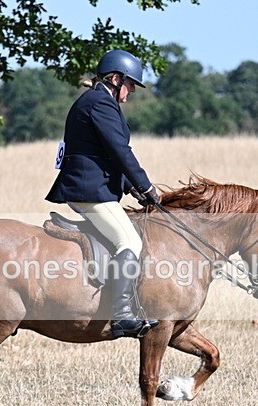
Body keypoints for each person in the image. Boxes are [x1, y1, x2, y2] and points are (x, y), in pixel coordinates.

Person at [46, 49, 161, 339]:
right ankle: (122, 316)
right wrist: (145, 185)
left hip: (93, 187)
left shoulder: (99, 100)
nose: (131, 92)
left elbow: (104, 155)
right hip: (89, 191)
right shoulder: (100, 103)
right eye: (130, 84)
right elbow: (120, 150)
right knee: (129, 241)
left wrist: (131, 187)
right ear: (115, 79)